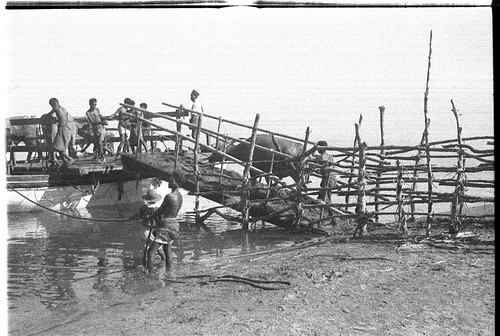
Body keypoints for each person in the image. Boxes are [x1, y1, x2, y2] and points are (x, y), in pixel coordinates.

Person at [145, 171, 184, 275]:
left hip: (166, 227)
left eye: (171, 181)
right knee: (167, 252)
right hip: (174, 226)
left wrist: (151, 216)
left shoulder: (169, 196)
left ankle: (150, 276)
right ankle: (169, 273)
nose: (168, 182)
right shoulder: (180, 196)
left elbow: (160, 211)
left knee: (151, 252)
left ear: (176, 183)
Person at [48, 98, 75, 167]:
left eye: (52, 105)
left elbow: (49, 114)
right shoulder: (64, 109)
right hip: (67, 129)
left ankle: (69, 159)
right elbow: (63, 118)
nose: (52, 107)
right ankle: (65, 161)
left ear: (55, 103)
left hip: (62, 129)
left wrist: (45, 117)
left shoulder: (56, 108)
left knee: (57, 146)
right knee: (59, 146)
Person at [85, 98, 107, 162]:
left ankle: (101, 156)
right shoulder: (88, 113)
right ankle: (99, 156)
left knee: (100, 143)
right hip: (95, 129)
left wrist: (103, 120)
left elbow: (99, 118)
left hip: (101, 128)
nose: (94, 105)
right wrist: (101, 122)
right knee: (97, 144)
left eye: (95, 104)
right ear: (90, 104)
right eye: (93, 104)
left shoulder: (97, 110)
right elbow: (92, 122)